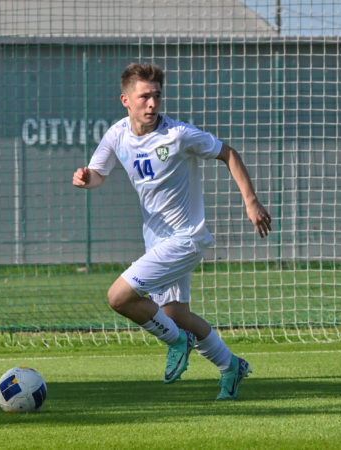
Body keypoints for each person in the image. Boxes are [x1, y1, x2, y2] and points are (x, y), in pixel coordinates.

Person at [73, 63, 271, 400]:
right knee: (175, 314)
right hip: (156, 239)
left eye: (156, 96)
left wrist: (251, 202)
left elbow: (228, 153)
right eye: (144, 97)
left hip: (186, 238)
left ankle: (177, 341)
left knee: (119, 297)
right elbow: (98, 174)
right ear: (125, 100)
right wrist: (85, 178)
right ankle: (230, 366)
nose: (152, 103)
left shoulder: (178, 134)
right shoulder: (117, 135)